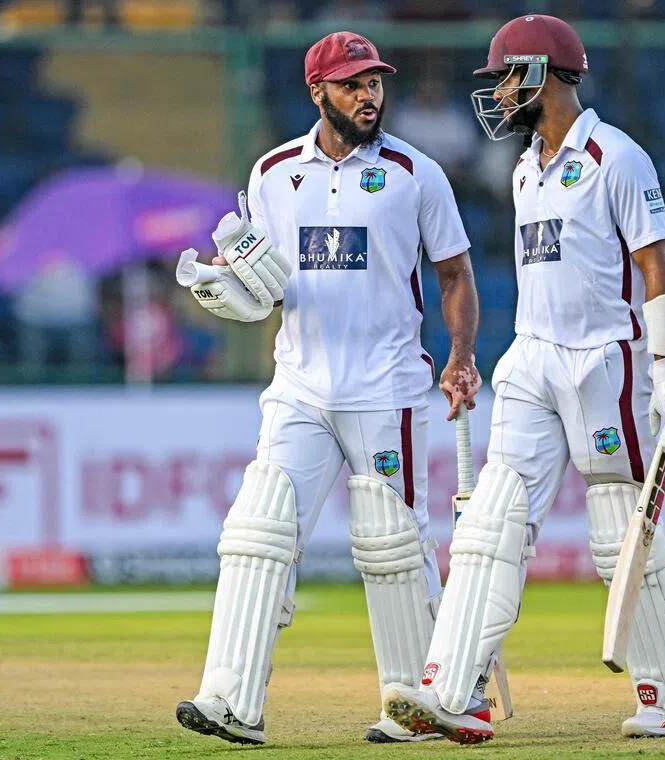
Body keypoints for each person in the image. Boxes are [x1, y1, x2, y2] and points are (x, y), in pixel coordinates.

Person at [383, 14, 665, 743]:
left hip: (605, 359)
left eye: (506, 74)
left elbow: (658, 267)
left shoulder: (616, 157)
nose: (498, 91)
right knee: (490, 522)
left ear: (541, 72)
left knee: (617, 531)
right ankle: (452, 689)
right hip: (532, 356)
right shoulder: (524, 166)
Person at [172, 31, 481, 746]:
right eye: (351, 85)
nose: (369, 96)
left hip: (388, 389)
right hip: (300, 386)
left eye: (375, 83)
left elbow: (455, 275)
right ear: (318, 92)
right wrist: (226, 290)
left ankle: (415, 705)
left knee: (393, 548)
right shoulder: (273, 172)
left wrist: (462, 355)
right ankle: (229, 701)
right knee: (256, 533)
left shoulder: (415, 173)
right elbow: (262, 281)